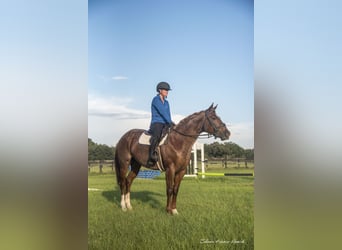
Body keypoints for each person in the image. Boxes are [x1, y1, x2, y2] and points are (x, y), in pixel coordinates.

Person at [147, 81, 173, 166]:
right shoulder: (156, 100)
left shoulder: (167, 102)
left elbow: (168, 114)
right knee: (157, 135)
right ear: (159, 90)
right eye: (165, 90)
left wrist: (171, 123)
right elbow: (162, 112)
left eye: (167, 90)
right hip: (157, 122)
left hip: (166, 123)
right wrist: (169, 122)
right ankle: (151, 155)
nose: (167, 91)